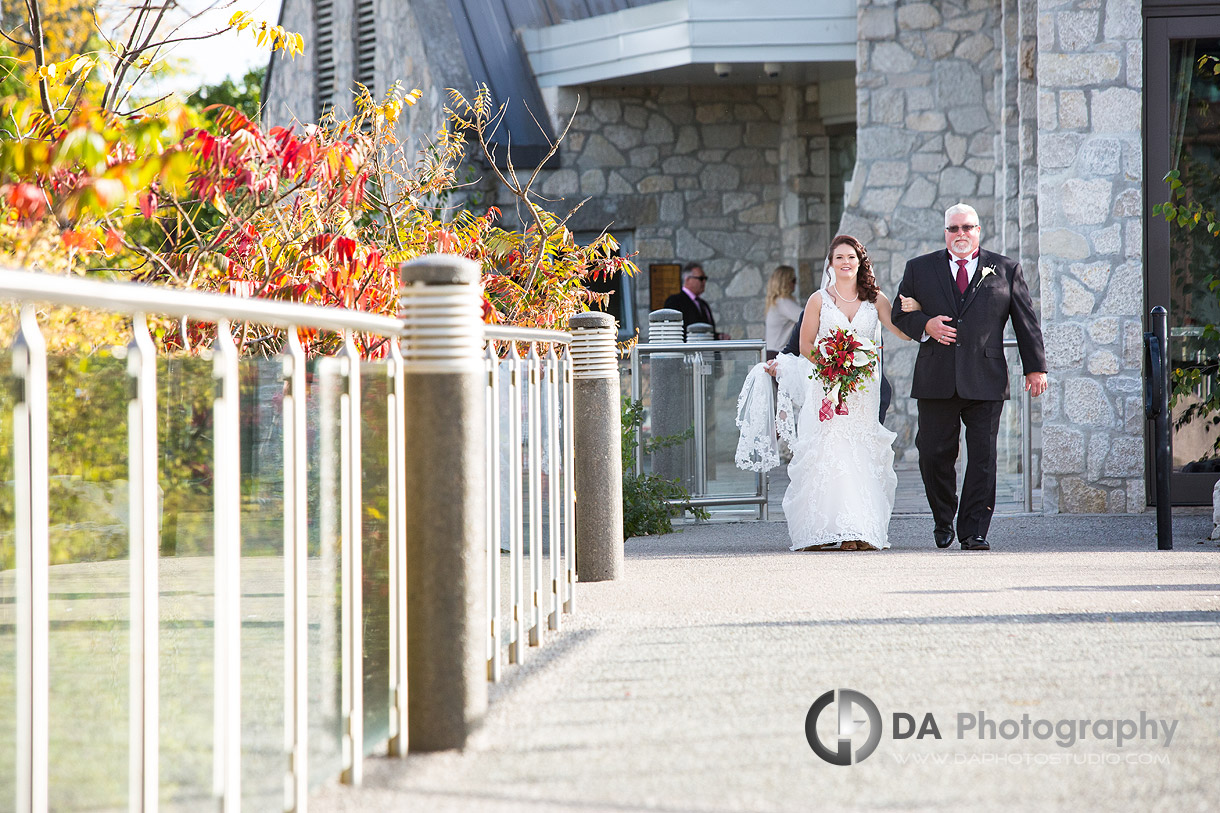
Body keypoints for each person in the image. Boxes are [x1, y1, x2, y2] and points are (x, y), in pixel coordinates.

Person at [736, 235, 912, 552]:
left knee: (860, 452)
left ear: (861, 262)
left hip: (863, 390)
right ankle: (826, 529)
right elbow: (805, 346)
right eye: (839, 257)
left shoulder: (876, 300)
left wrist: (915, 309)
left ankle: (860, 529)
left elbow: (900, 331)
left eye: (851, 257)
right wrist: (833, 368)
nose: (846, 263)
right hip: (827, 387)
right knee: (830, 453)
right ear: (831, 264)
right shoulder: (819, 300)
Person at [892, 203, 1047, 552]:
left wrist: (1035, 366)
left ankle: (974, 530)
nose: (960, 234)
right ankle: (943, 519)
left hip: (986, 377)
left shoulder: (1005, 269)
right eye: (953, 229)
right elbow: (898, 316)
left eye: (967, 227)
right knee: (932, 453)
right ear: (945, 232)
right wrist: (926, 325)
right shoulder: (919, 269)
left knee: (982, 458)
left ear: (978, 230)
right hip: (936, 377)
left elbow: (1026, 322)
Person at [663, 262, 729, 339]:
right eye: (701, 278)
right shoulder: (675, 301)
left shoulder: (703, 304)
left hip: (705, 350)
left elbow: (706, 331)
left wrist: (718, 337)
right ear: (687, 279)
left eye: (705, 279)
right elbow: (673, 332)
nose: (704, 282)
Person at [764, 265, 802, 361]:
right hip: (778, 354)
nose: (795, 283)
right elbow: (807, 317)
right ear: (786, 282)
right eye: (793, 280)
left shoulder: (777, 302)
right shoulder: (783, 303)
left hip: (772, 352)